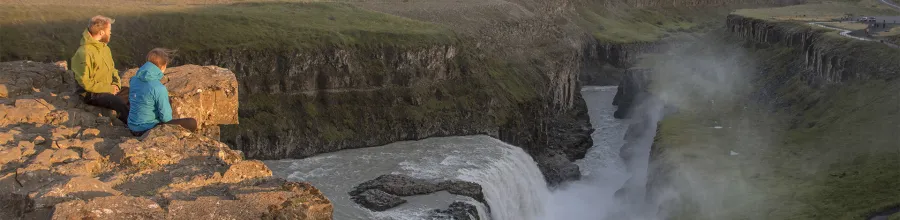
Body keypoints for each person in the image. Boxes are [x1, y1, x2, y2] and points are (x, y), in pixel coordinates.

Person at [71, 15, 129, 124]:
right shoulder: (84, 53)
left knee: (134, 94)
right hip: (90, 93)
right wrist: (109, 89)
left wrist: (116, 85)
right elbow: (85, 83)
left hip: (107, 87)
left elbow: (113, 70)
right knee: (118, 102)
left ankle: (139, 120)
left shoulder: (105, 48)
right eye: (109, 30)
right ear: (102, 32)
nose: (110, 33)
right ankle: (135, 128)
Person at [127, 48, 198, 136]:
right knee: (191, 123)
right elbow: (166, 118)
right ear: (163, 66)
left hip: (132, 126)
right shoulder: (158, 88)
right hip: (146, 130)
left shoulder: (134, 80)